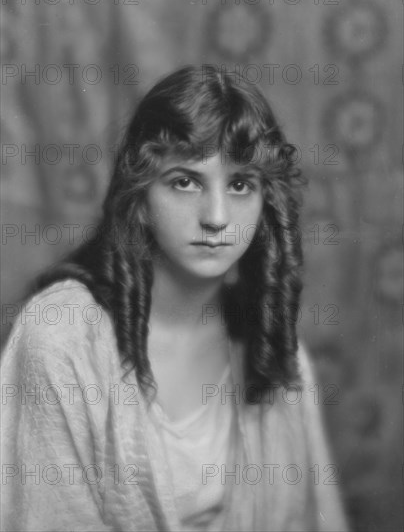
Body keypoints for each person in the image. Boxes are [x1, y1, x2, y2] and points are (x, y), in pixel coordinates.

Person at [1, 65, 349, 532]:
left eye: (241, 184)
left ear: (267, 201)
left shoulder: (271, 343)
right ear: (141, 196)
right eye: (186, 181)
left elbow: (324, 518)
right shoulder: (60, 337)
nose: (217, 217)